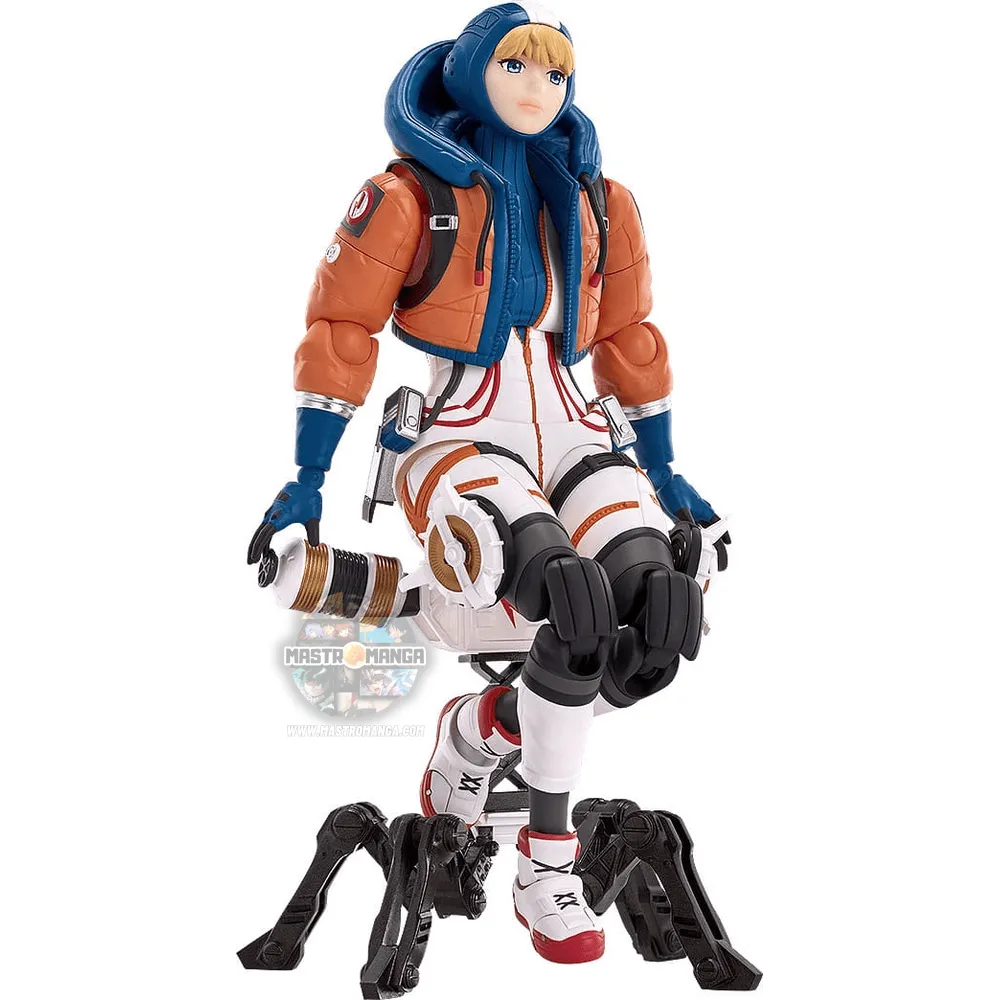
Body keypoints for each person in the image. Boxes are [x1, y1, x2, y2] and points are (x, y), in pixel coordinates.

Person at [247, 3, 729, 964]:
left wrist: (669, 473)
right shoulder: (408, 193)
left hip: (580, 431)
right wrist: (305, 478)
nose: (538, 89)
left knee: (658, 611)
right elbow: (340, 329)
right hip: (461, 432)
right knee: (566, 592)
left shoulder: (600, 202)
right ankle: (547, 866)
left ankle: (484, 729)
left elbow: (631, 339)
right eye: (516, 67)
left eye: (556, 74)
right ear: (472, 74)